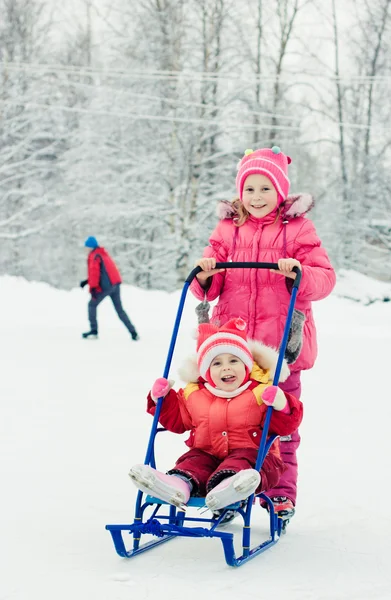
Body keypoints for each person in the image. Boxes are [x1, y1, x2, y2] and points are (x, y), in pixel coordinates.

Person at [190, 146, 336, 521]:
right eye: (250, 189)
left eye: (265, 189)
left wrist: (298, 274)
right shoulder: (227, 229)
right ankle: (228, 488)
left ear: (281, 191)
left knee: (278, 424)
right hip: (233, 350)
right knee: (230, 424)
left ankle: (279, 494)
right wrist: (206, 274)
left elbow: (324, 279)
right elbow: (210, 286)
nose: (256, 197)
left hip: (281, 348)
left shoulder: (299, 229)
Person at [129, 318, 303, 514]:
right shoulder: (194, 394)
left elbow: (286, 426)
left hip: (257, 462)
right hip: (207, 456)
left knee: (241, 461)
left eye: (234, 360)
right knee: (193, 463)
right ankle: (177, 485)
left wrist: (282, 404)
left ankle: (230, 487)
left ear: (247, 366)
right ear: (206, 371)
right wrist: (161, 399)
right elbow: (177, 421)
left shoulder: (260, 392)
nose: (226, 367)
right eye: (217, 363)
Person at [80, 236, 139, 340]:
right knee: (119, 309)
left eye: (87, 247)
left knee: (91, 305)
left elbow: (95, 272)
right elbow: (104, 271)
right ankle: (133, 332)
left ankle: (94, 331)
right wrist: (87, 281)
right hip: (115, 284)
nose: (86, 249)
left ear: (90, 247)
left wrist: (93, 288)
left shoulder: (94, 255)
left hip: (106, 286)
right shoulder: (102, 253)